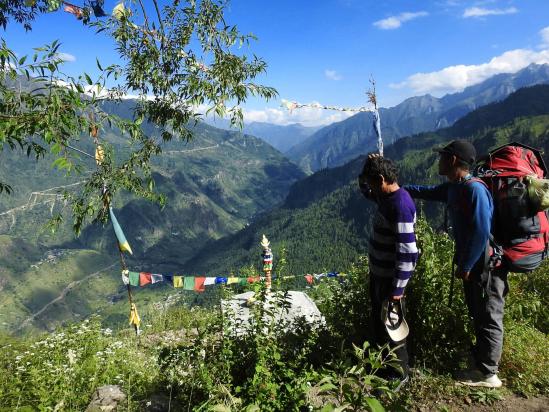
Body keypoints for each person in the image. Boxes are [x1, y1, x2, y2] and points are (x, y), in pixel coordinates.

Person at [404, 139, 506, 388]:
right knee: (477, 311)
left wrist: (468, 264)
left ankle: (489, 374)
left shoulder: (475, 190)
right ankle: (480, 362)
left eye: (441, 157)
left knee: (490, 314)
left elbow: (482, 230)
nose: (438, 160)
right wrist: (398, 189)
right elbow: (426, 191)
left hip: (486, 265)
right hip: (472, 264)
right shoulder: (454, 187)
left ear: (452, 160)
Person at [359, 154, 419, 389]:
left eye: (372, 182)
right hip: (379, 275)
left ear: (382, 179)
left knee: (393, 328)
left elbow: (408, 252)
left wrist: (397, 290)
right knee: (379, 323)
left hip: (389, 282)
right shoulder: (386, 197)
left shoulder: (400, 205)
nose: (370, 188)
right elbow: (366, 191)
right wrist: (366, 170)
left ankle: (399, 375)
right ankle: (383, 367)